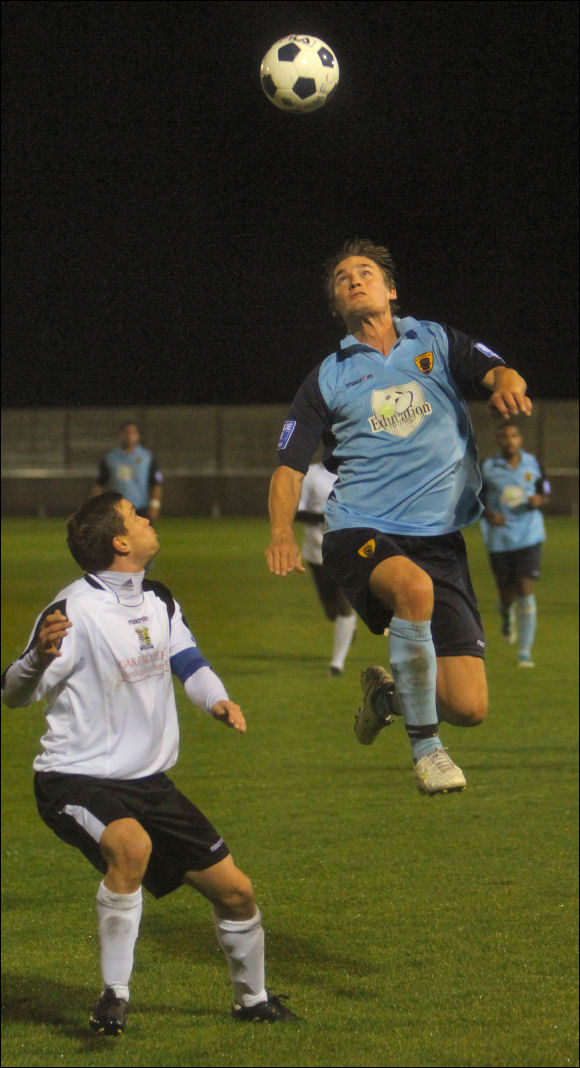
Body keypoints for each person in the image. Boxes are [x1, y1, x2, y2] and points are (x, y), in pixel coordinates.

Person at [1, 492, 298, 1033]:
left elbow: (188, 659)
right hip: (73, 777)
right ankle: (114, 994)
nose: (147, 519)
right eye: (137, 517)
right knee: (131, 846)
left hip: (148, 783)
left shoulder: (158, 599)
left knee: (237, 892)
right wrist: (36, 658)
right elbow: (12, 693)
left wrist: (218, 699)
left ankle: (252, 999)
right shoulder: (72, 612)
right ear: (120, 543)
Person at [266, 238, 532, 796]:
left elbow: (498, 371)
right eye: (343, 279)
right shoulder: (328, 377)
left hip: (439, 539)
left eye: (366, 273)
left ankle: (386, 697)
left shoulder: (433, 340)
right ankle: (428, 752)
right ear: (337, 307)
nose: (354, 281)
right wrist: (280, 533)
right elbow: (289, 466)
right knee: (411, 589)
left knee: (470, 705)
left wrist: (509, 385)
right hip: (359, 529)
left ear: (391, 290)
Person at [480, 421, 550, 667]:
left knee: (525, 587)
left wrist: (539, 499)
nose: (510, 440)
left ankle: (524, 652)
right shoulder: (488, 467)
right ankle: (506, 614)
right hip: (499, 538)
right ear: (499, 440)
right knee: (506, 593)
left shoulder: (533, 463)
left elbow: (546, 488)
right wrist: (489, 515)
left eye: (514, 435)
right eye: (504, 436)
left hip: (529, 534)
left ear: (520, 439)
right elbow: (475, 500)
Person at [296, 462, 357, 676]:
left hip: (346, 549)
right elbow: (298, 511)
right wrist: (326, 517)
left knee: (345, 605)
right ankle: (346, 628)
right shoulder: (311, 474)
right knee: (331, 610)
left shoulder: (357, 470)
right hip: (316, 550)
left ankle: (337, 663)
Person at [94, 421, 163, 522]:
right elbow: (99, 484)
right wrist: (97, 507)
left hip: (141, 509)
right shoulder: (110, 458)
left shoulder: (147, 456)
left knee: (144, 537)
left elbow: (157, 483)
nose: (129, 436)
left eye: (133, 433)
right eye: (126, 433)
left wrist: (155, 505)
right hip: (117, 510)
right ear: (120, 435)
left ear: (138, 436)